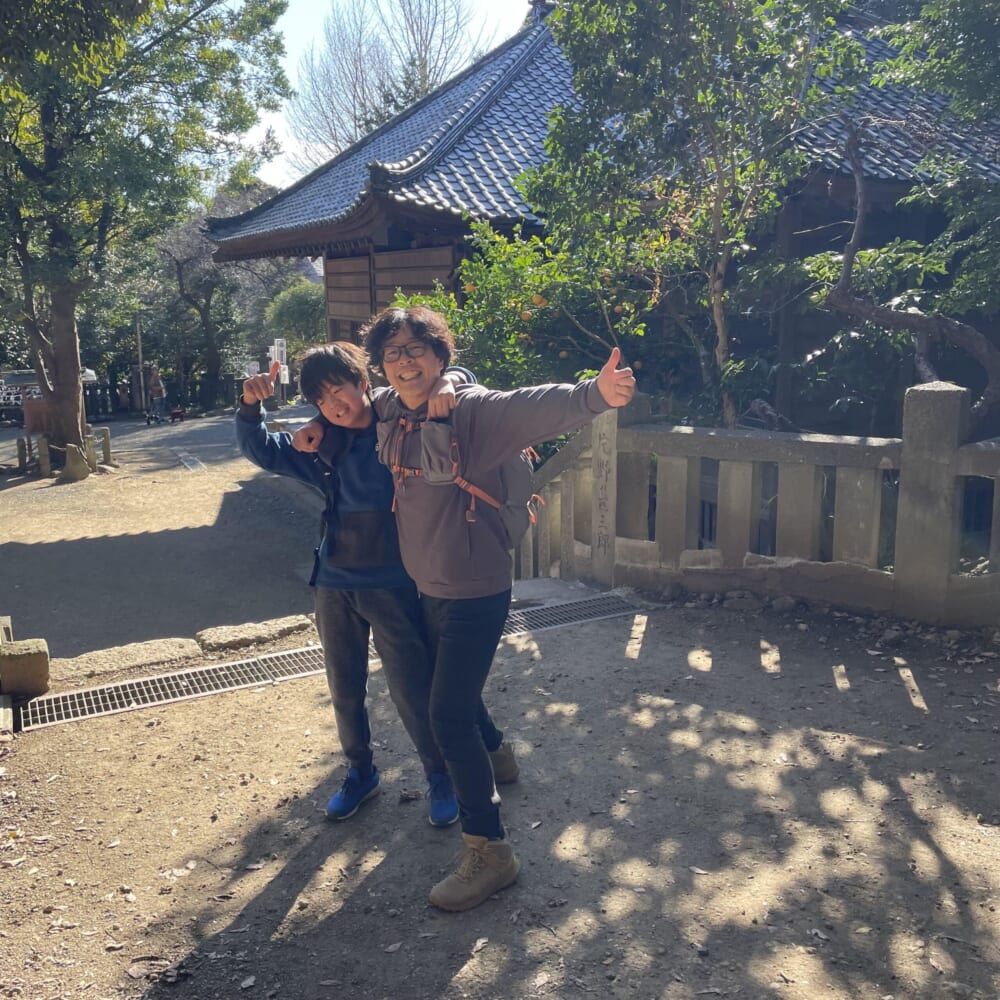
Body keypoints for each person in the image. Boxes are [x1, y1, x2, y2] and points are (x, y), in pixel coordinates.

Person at [301, 306, 636, 912]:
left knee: (445, 715)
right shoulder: (389, 410)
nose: (404, 361)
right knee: (448, 688)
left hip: (476, 589)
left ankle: (491, 852)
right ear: (382, 366)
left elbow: (533, 404)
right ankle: (498, 756)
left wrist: (596, 394)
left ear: (440, 354)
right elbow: (348, 403)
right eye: (393, 353)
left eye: (416, 348)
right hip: (424, 586)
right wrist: (313, 428)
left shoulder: (474, 412)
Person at [237, 344, 516, 829]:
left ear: (363, 382)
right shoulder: (320, 444)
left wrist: (450, 380)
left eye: (338, 389)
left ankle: (440, 775)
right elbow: (261, 449)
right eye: (321, 401)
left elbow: (454, 379)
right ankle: (360, 772)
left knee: (413, 687)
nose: (334, 405)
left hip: (395, 583)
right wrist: (248, 406)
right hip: (334, 583)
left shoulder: (399, 428)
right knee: (344, 689)